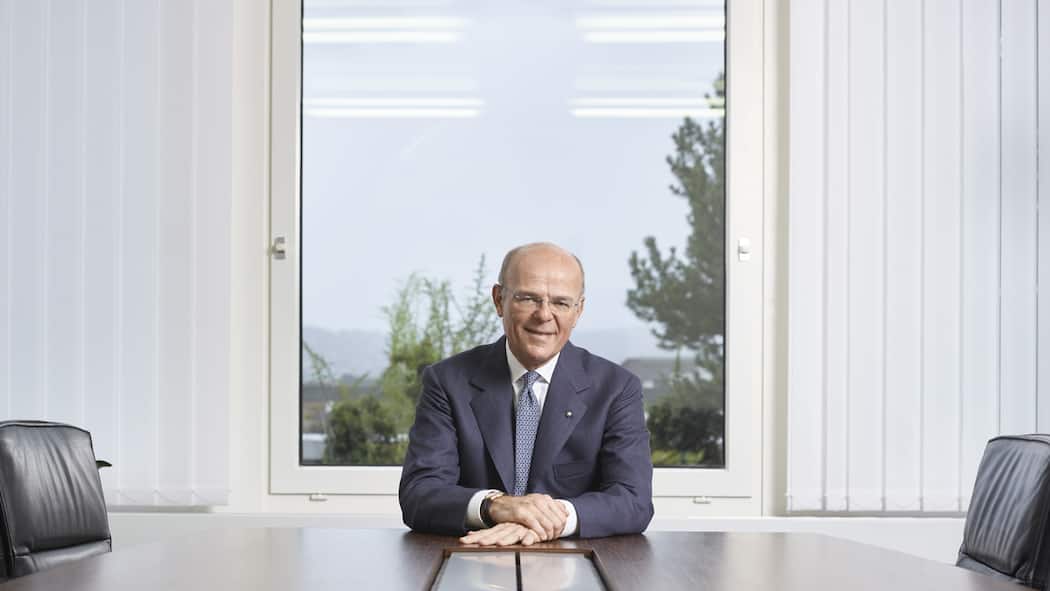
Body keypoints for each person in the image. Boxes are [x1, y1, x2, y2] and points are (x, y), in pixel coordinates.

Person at [399, 242, 654, 546]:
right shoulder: (447, 381)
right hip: (470, 558)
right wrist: (494, 506)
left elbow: (633, 500)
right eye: (528, 298)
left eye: (561, 303)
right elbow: (420, 493)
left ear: (578, 311)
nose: (544, 314)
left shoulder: (616, 388)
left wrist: (547, 520)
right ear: (499, 300)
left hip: (575, 564)